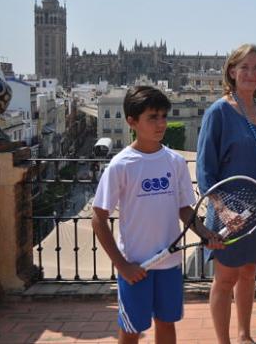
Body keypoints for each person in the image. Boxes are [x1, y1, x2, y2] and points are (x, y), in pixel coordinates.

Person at [92, 86, 223, 344]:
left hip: (169, 265)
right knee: (131, 330)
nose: (161, 123)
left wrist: (206, 234)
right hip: (136, 266)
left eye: (164, 116)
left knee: (166, 324)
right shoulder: (120, 165)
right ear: (132, 121)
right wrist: (123, 265)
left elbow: (185, 209)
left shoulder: (174, 162)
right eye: (153, 117)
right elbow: (98, 218)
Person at [197, 44, 256, 344]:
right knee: (224, 279)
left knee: (248, 274)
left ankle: (244, 336)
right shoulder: (218, 112)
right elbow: (205, 170)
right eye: (244, 67)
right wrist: (222, 210)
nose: (251, 73)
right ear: (232, 71)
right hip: (227, 212)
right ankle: (224, 342)